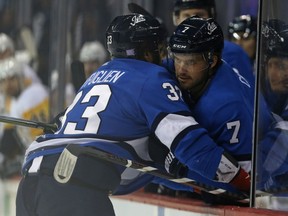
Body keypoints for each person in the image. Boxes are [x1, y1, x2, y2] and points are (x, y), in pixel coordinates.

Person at [16, 14, 250, 216]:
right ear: (148, 53)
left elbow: (68, 125)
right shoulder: (151, 78)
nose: (165, 58)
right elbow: (190, 144)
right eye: (159, 49)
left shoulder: (98, 74)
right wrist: (242, 180)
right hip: (72, 187)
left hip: (30, 183)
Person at [172, 0, 255, 83]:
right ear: (176, 19)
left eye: (199, 15)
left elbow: (245, 91)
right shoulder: (166, 50)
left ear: (212, 17)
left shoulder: (234, 53)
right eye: (187, 16)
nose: (193, 21)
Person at [0, 57, 49, 179]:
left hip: (43, 153)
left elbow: (7, 145)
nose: (8, 84)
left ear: (21, 77)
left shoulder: (29, 96)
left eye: (12, 79)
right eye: (3, 81)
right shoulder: (34, 91)